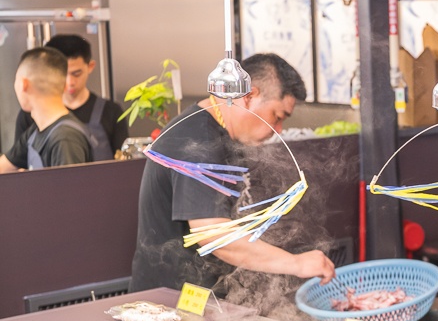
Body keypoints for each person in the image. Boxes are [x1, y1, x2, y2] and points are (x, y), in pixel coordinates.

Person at [129, 53, 335, 294]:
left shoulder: (219, 133)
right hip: (169, 302)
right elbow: (214, 235)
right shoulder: (198, 141)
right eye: (276, 117)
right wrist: (295, 263)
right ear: (249, 96)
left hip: (198, 296)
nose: (276, 130)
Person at [13, 34, 127, 161]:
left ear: (90, 67)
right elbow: (17, 164)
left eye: (76, 74)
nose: (70, 82)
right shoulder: (31, 114)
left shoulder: (111, 111)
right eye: (63, 75)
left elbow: (122, 161)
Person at [0, 47, 93, 172]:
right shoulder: (36, 130)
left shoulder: (65, 138)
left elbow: (70, 190)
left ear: (23, 84)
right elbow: (4, 166)